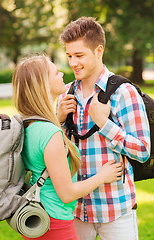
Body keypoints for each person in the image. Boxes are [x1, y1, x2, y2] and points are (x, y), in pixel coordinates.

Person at [56, 17, 151, 240]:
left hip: (116, 209)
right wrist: (58, 120)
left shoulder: (124, 92)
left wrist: (104, 124)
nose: (73, 63)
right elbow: (56, 153)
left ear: (99, 50)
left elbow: (144, 151)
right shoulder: (66, 95)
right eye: (69, 56)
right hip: (77, 209)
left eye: (79, 55)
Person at [12, 54, 123, 240]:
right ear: (43, 85)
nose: (62, 73)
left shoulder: (28, 124)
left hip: (37, 217)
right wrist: (102, 177)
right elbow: (67, 194)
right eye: (56, 72)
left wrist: (59, 119)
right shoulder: (50, 133)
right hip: (55, 225)